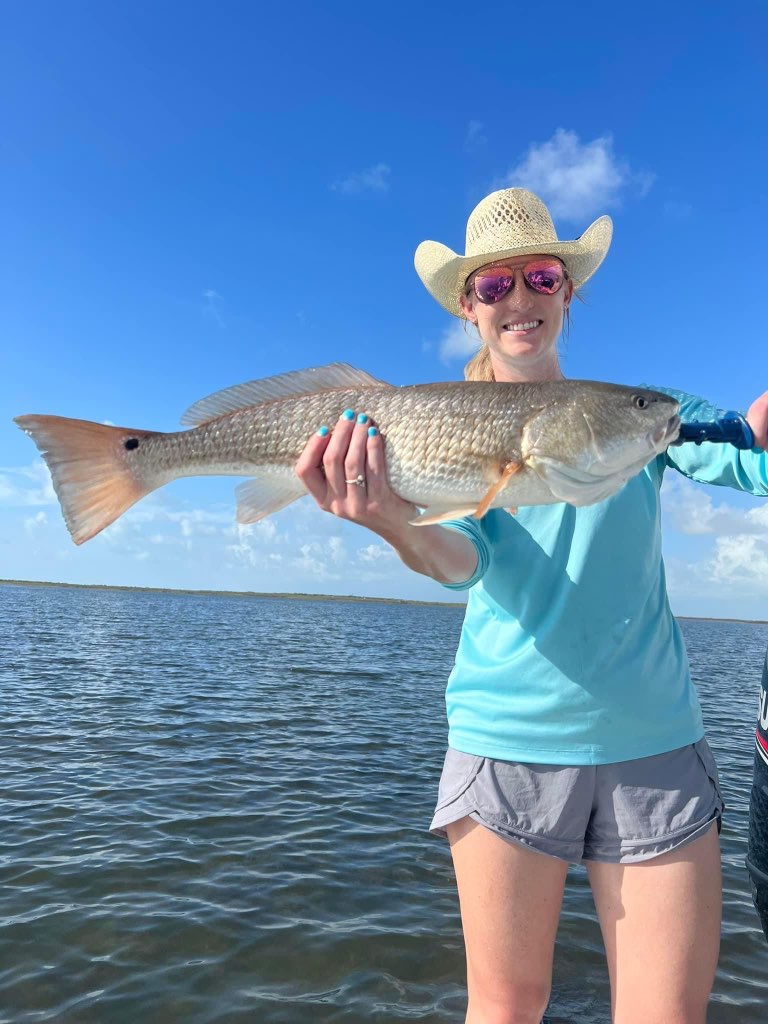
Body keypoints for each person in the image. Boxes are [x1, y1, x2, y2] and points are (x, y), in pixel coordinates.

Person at [295, 188, 768, 1024]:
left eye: (542, 277)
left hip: (655, 744)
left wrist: (723, 432)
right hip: (505, 743)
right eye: (494, 285)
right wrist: (391, 523)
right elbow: (462, 561)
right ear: (469, 309)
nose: (520, 298)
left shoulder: (645, 412)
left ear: (568, 291)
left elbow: (750, 453)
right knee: (507, 1009)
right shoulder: (438, 429)